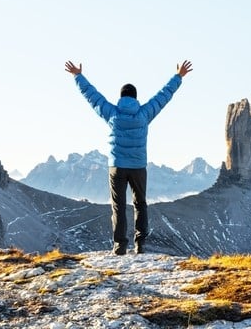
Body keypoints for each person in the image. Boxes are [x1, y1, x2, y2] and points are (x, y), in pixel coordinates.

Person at [64, 60, 193, 255]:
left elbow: (93, 97)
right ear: (135, 98)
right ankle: (140, 245)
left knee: (118, 206)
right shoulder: (144, 114)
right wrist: (178, 76)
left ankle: (120, 246)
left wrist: (78, 76)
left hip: (116, 166)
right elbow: (163, 97)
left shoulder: (112, 114)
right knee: (140, 203)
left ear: (121, 97)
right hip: (138, 167)